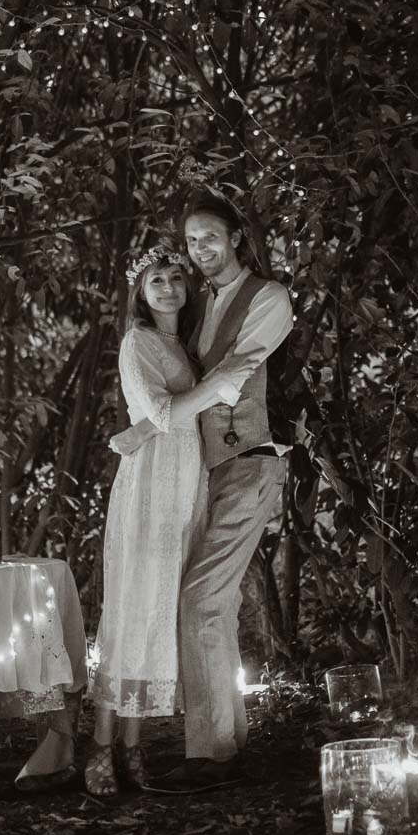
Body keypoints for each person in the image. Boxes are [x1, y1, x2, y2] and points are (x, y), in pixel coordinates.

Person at [111, 190, 294, 793]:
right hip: (205, 473)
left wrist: (148, 425)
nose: (200, 249)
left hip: (249, 462)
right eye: (191, 241)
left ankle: (211, 755)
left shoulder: (267, 298)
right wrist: (149, 425)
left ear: (237, 236)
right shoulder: (195, 311)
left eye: (209, 236)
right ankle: (229, 742)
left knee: (200, 600)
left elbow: (236, 374)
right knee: (216, 602)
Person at [87, 244, 252, 796]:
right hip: (151, 487)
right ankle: (100, 747)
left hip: (187, 486)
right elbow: (158, 413)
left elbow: (173, 416)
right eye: (156, 279)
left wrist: (206, 391)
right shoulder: (138, 342)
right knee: (134, 609)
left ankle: (133, 747)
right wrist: (217, 386)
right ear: (140, 290)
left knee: (160, 612)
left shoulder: (180, 344)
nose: (168, 287)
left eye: (176, 278)